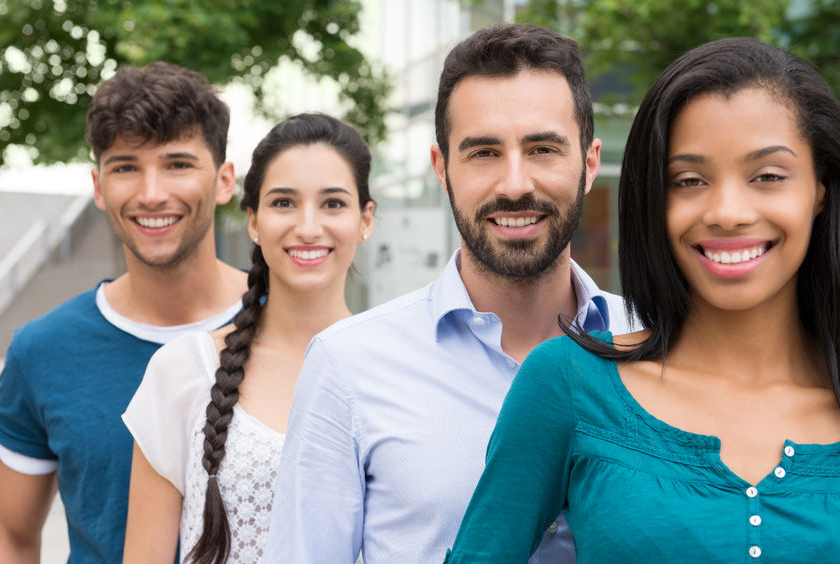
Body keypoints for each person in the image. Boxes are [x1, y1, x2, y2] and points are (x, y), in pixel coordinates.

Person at [445, 36, 840, 563]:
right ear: (653, 197)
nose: (727, 212)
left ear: (820, 189)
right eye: (690, 180)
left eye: (767, 176)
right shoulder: (568, 381)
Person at [265, 23, 633, 564]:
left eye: (543, 148)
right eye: (483, 152)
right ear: (442, 168)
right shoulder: (348, 366)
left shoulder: (662, 345)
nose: (514, 184)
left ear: (589, 163)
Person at [0, 62, 248, 563]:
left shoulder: (292, 330)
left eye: (177, 164)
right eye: (126, 167)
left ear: (223, 182)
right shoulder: (42, 350)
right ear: (99, 186)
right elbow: (9, 537)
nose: (152, 193)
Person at [120, 113, 375, 564]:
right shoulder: (182, 369)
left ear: (365, 220)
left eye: (333, 203)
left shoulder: (399, 370)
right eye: (284, 203)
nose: (309, 226)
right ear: (253, 221)